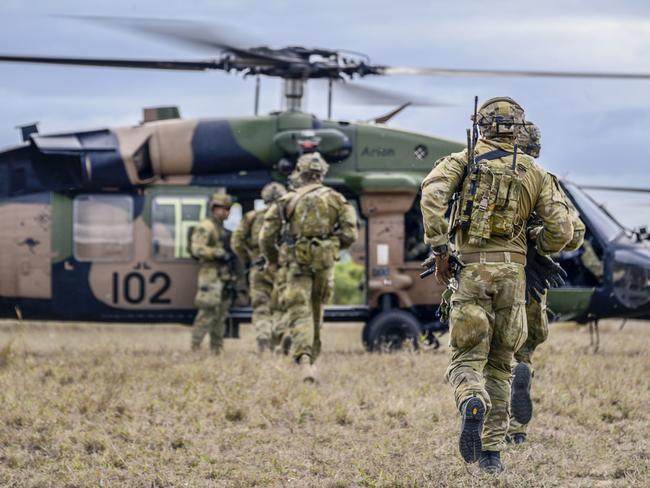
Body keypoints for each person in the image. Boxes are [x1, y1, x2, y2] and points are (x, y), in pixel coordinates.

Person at [420, 97, 574, 473]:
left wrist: (441, 247)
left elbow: (432, 196)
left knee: (466, 359)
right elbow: (564, 230)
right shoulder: (536, 172)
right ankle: (491, 455)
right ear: (519, 127)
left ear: (481, 125)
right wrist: (536, 245)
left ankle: (472, 398)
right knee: (502, 365)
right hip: (513, 278)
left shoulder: (461, 161)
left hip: (471, 273)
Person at [508, 122, 585, 444]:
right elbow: (574, 233)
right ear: (535, 148)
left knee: (484, 354)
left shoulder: (479, 175)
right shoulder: (542, 179)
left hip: (483, 276)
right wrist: (538, 243)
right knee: (521, 351)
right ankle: (517, 430)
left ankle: (486, 422)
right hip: (531, 279)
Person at [259, 152, 358, 382]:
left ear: (299, 173)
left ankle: (304, 361)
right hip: (324, 265)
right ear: (322, 173)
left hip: (295, 265)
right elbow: (350, 233)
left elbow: (266, 237)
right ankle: (310, 359)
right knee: (316, 311)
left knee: (299, 310)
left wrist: (273, 259)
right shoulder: (336, 199)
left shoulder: (287, 200)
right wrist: (331, 246)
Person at [231, 182, 287, 353]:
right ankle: (281, 336)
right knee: (281, 306)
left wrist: (249, 258)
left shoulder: (251, 217)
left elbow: (237, 242)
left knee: (261, 307)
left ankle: (263, 337)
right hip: (281, 268)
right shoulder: (287, 218)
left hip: (259, 268)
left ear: (264, 198)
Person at [190, 192, 235, 354]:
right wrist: (217, 253)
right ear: (215, 209)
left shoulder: (219, 227)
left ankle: (216, 351)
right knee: (207, 313)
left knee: (220, 317)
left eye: (229, 209)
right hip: (210, 276)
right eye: (225, 209)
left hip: (221, 277)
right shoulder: (206, 226)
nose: (227, 212)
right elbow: (196, 249)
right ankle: (195, 348)